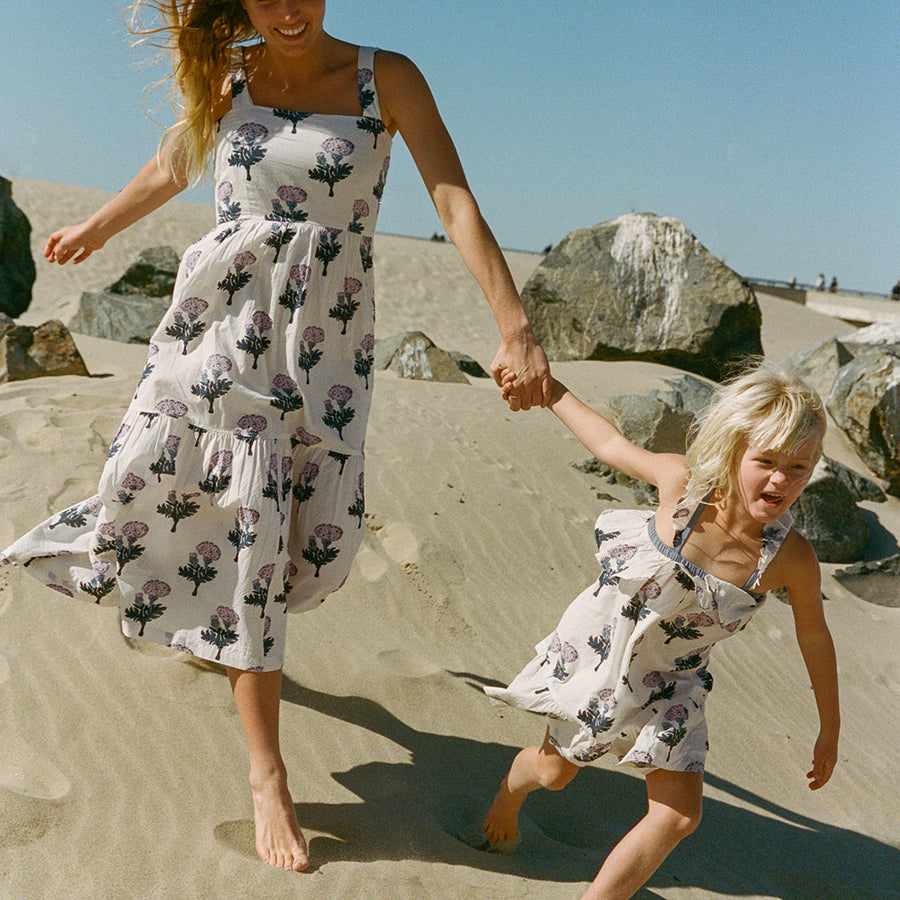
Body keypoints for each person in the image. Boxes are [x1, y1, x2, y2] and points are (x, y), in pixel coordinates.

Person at [0, 0, 551, 874]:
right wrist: (98, 226)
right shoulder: (229, 72)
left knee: (293, 535)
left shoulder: (385, 78)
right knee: (207, 497)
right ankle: (267, 772)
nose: (288, 10)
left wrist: (513, 326)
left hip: (325, 336)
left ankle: (217, 621)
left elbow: (453, 202)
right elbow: (176, 161)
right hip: (219, 319)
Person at [482, 362, 840, 900]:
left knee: (678, 816)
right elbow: (608, 443)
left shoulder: (791, 558)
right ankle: (508, 796)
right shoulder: (682, 487)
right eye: (765, 461)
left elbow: (815, 638)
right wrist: (549, 390)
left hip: (675, 681)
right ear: (733, 451)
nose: (780, 480)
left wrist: (829, 727)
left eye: (798, 468)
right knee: (554, 773)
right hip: (607, 654)